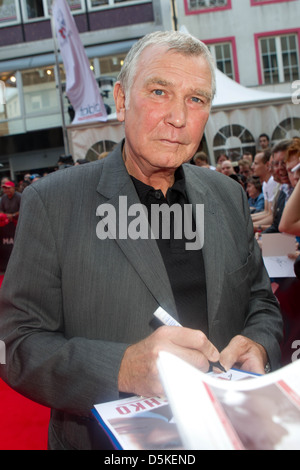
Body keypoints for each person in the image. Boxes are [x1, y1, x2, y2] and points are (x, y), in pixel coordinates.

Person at [0, 31, 283, 450]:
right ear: (120, 100)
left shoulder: (227, 196)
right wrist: (121, 368)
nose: (178, 117)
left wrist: (258, 342)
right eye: (158, 91)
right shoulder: (53, 202)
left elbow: (262, 302)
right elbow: (15, 342)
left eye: (196, 99)